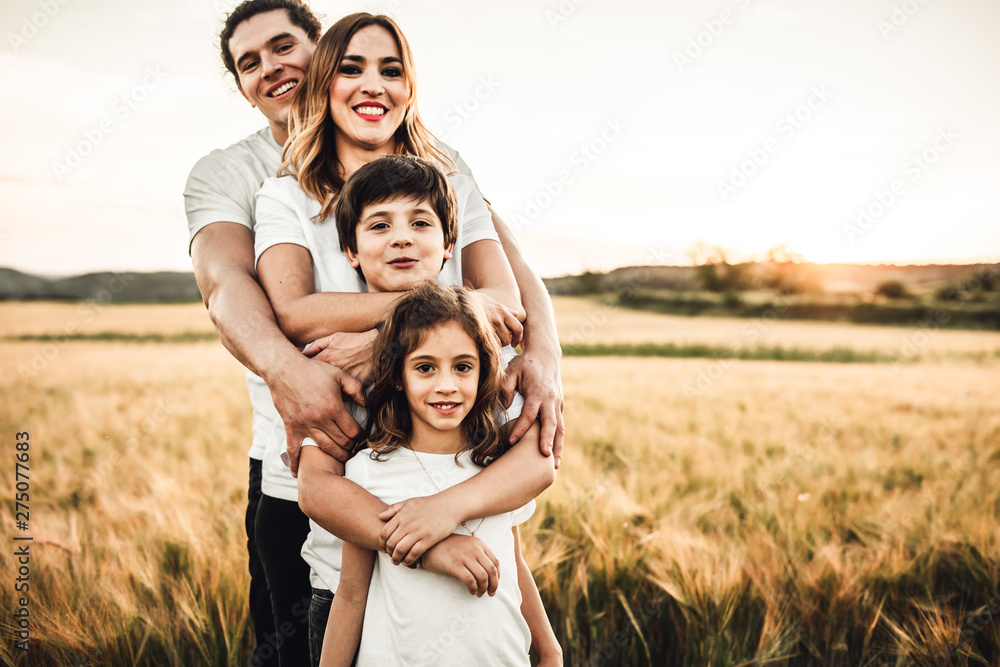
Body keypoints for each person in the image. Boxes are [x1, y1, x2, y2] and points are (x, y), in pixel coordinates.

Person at [185, 2, 563, 663]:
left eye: (284, 48)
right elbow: (267, 303)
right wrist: (431, 316)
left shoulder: (442, 171)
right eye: (250, 62)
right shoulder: (265, 187)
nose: (274, 68)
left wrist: (391, 343)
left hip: (459, 467)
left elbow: (507, 290)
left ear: (313, 54)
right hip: (319, 461)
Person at [320, 283, 562, 666]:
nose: (446, 385)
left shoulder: (498, 467)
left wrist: (550, 651)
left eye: (463, 367)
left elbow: (513, 562)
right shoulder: (369, 473)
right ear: (398, 375)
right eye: (425, 367)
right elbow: (351, 593)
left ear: (484, 370)